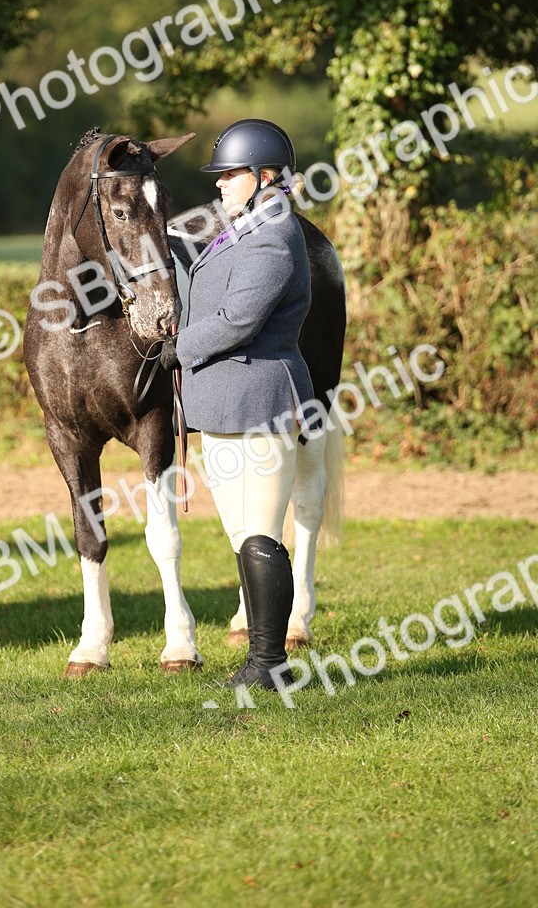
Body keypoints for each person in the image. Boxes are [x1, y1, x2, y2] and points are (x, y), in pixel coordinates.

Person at [161, 118, 314, 689]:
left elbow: (239, 320)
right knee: (241, 537)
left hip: (260, 398)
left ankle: (270, 663)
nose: (220, 185)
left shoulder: (274, 234)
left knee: (261, 535)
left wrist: (175, 350)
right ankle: (262, 656)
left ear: (265, 175)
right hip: (220, 405)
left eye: (230, 175)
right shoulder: (240, 228)